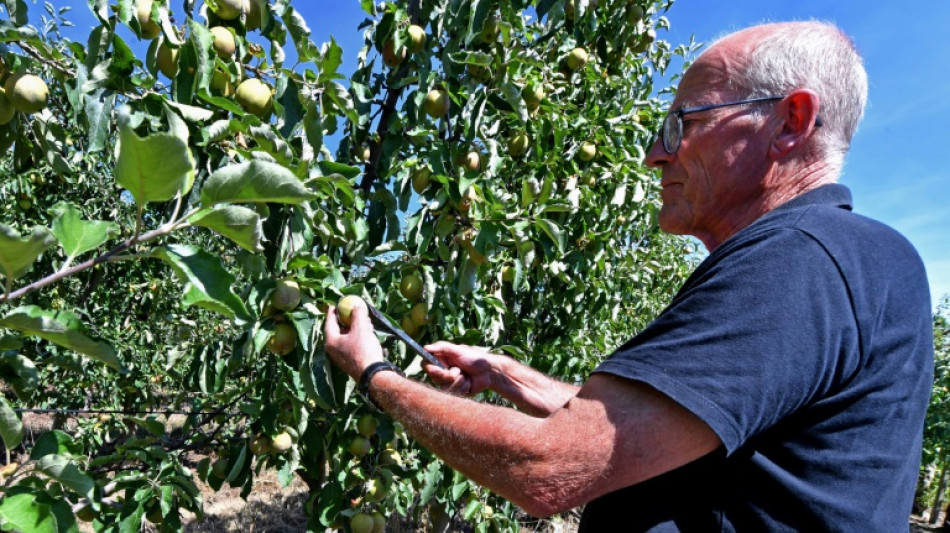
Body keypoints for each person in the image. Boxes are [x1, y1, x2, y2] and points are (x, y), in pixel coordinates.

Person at [324, 21, 933, 532]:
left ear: (790, 121)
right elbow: (657, 434)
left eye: (681, 125)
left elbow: (548, 470)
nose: (654, 154)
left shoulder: (802, 261)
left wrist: (376, 376)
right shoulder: (845, 260)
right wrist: (507, 375)